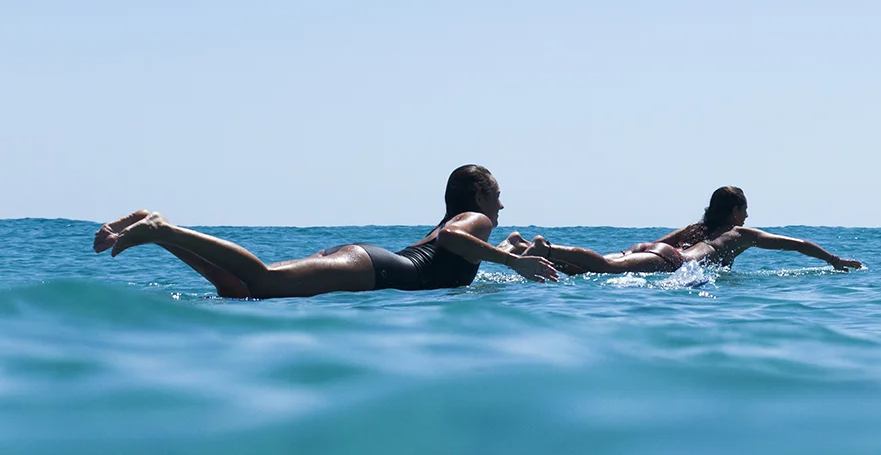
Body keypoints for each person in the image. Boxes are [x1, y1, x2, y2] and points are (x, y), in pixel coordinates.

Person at [93, 165, 558, 298]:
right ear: (477, 199)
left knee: (238, 288)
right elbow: (455, 242)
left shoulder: (456, 223)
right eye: (496, 196)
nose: (501, 205)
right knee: (264, 281)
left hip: (367, 260)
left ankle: (159, 233)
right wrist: (515, 262)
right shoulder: (471, 222)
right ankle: (166, 227)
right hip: (373, 268)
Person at [499, 186, 863, 275]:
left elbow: (655, 244)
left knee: (582, 272)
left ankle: (517, 248)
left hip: (652, 248)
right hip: (671, 261)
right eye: (745, 210)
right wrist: (833, 260)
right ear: (736, 211)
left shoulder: (696, 227)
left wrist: (638, 253)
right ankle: (546, 248)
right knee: (605, 270)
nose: (748, 217)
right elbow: (796, 244)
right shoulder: (739, 235)